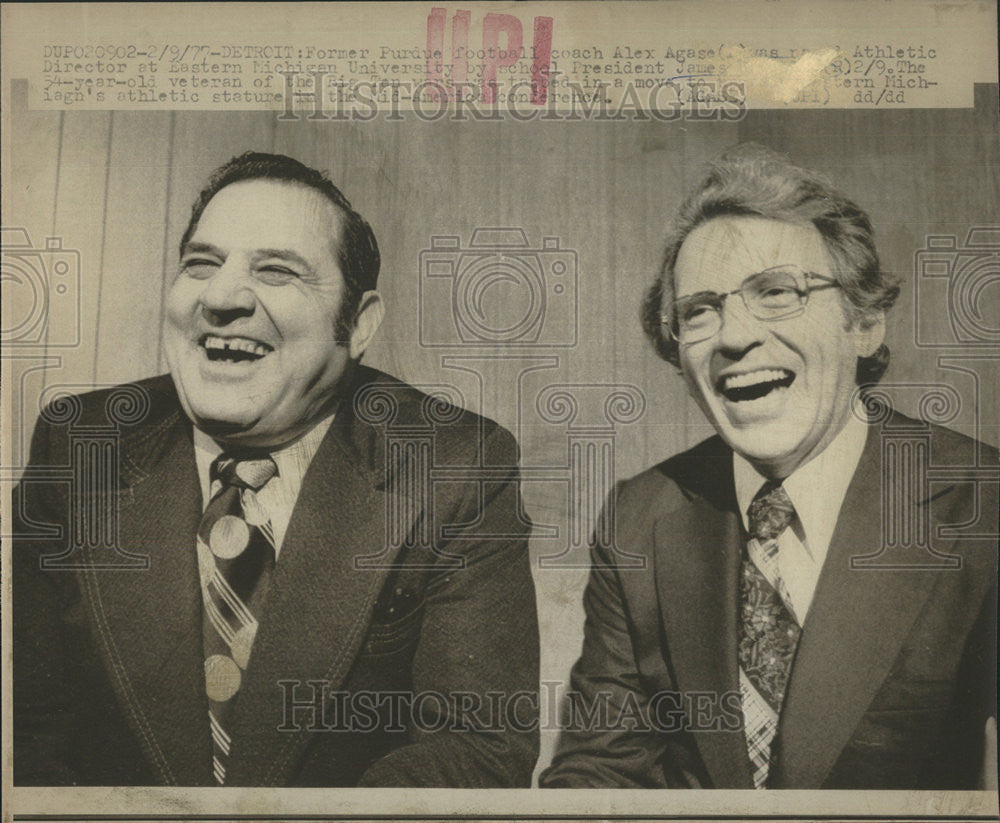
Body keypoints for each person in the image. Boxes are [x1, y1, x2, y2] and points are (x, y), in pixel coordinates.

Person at [13, 152, 539, 787]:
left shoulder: (454, 465)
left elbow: (477, 747)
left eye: (277, 272)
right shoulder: (78, 447)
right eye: (201, 265)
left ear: (359, 323)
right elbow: (25, 734)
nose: (222, 297)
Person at [540, 144, 997, 790]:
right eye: (700, 310)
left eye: (777, 291)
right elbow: (598, 774)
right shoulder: (640, 519)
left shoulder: (982, 507)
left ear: (863, 322)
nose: (733, 336)